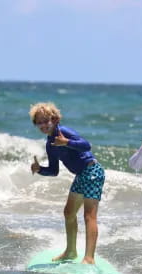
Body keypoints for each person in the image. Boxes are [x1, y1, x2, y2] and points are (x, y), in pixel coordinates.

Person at [30, 102, 105, 265]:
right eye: (39, 122)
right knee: (69, 213)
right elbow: (54, 170)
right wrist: (39, 169)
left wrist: (66, 142)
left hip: (92, 171)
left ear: (55, 119)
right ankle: (71, 252)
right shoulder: (50, 144)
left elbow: (87, 145)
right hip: (80, 175)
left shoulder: (64, 132)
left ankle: (89, 258)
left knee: (89, 216)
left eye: (46, 121)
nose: (43, 125)